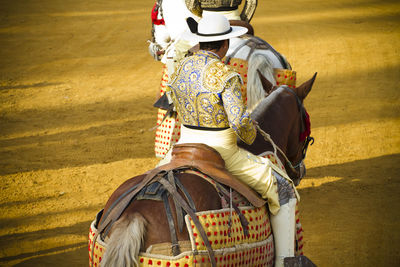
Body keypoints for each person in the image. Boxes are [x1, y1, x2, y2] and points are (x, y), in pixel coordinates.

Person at [158, 13, 299, 267]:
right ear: (224, 45)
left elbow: (175, 107)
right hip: (222, 152)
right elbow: (240, 124)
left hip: (180, 148)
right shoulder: (227, 76)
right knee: (284, 188)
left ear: (201, 42)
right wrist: (252, 135)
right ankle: (285, 262)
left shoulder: (180, 69)